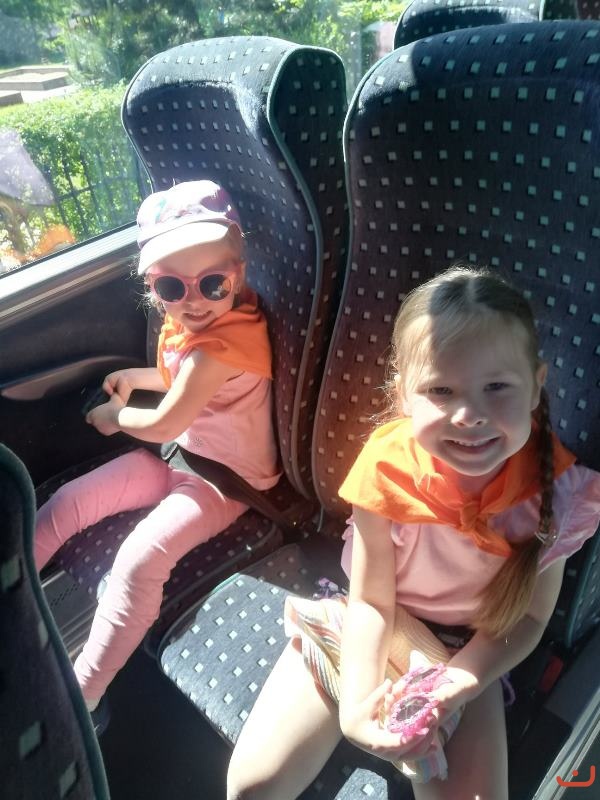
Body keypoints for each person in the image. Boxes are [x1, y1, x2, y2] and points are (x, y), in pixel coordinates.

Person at [226, 265, 600, 800]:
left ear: (537, 384)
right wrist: (357, 706)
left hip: (469, 651)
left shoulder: (559, 495)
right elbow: (372, 601)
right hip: (372, 623)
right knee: (252, 788)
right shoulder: (387, 470)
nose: (469, 414)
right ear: (404, 395)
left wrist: (460, 682)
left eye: (497, 387)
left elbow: (530, 617)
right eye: (441, 390)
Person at [35, 180, 280, 731]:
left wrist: (114, 416)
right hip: (181, 456)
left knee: (139, 560)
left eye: (212, 283)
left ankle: (84, 693)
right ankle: (14, 590)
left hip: (225, 481)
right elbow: (177, 379)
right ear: (154, 287)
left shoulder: (226, 343)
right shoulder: (191, 322)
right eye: (172, 286)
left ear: (238, 275)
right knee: (68, 502)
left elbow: (168, 415)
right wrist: (137, 376)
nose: (193, 300)